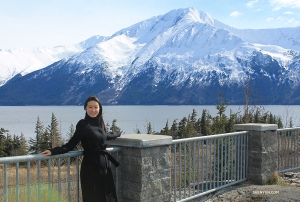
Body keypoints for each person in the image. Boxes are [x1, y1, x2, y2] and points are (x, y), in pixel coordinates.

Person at [41, 95, 121, 202]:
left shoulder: (100, 123)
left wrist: (118, 134)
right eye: (90, 107)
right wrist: (53, 151)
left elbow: (106, 136)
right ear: (85, 108)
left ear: (100, 108)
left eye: (96, 107)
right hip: (90, 168)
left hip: (104, 166)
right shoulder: (83, 124)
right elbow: (70, 144)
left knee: (108, 196)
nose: (93, 110)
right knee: (93, 197)